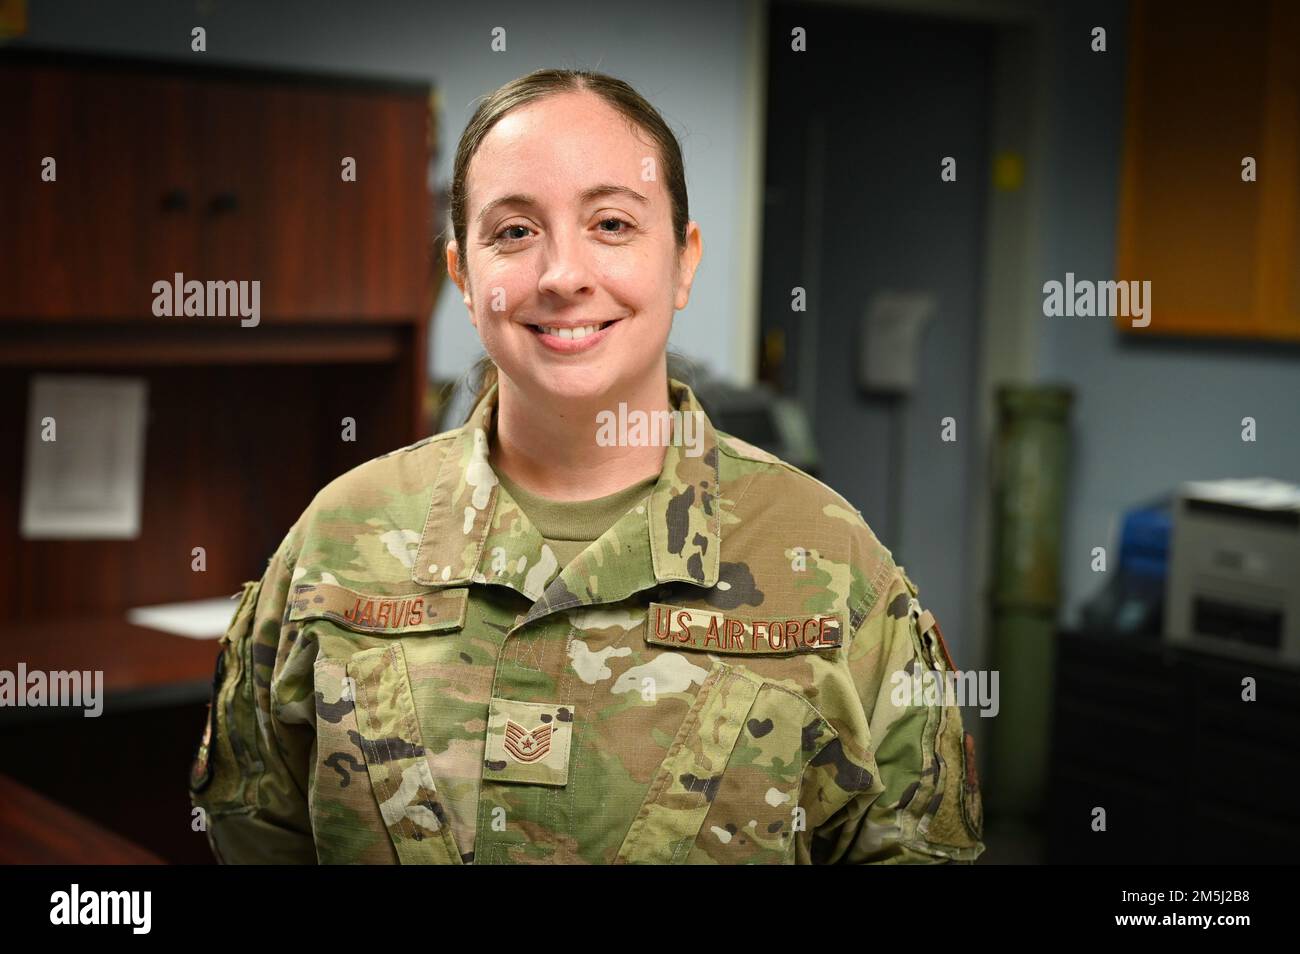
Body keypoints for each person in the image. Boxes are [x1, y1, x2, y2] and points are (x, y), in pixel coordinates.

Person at [188, 67, 985, 865]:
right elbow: (255, 829)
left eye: (611, 224)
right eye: (513, 232)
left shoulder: (834, 564)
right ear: (462, 275)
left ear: (682, 259)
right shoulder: (335, 540)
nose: (563, 274)